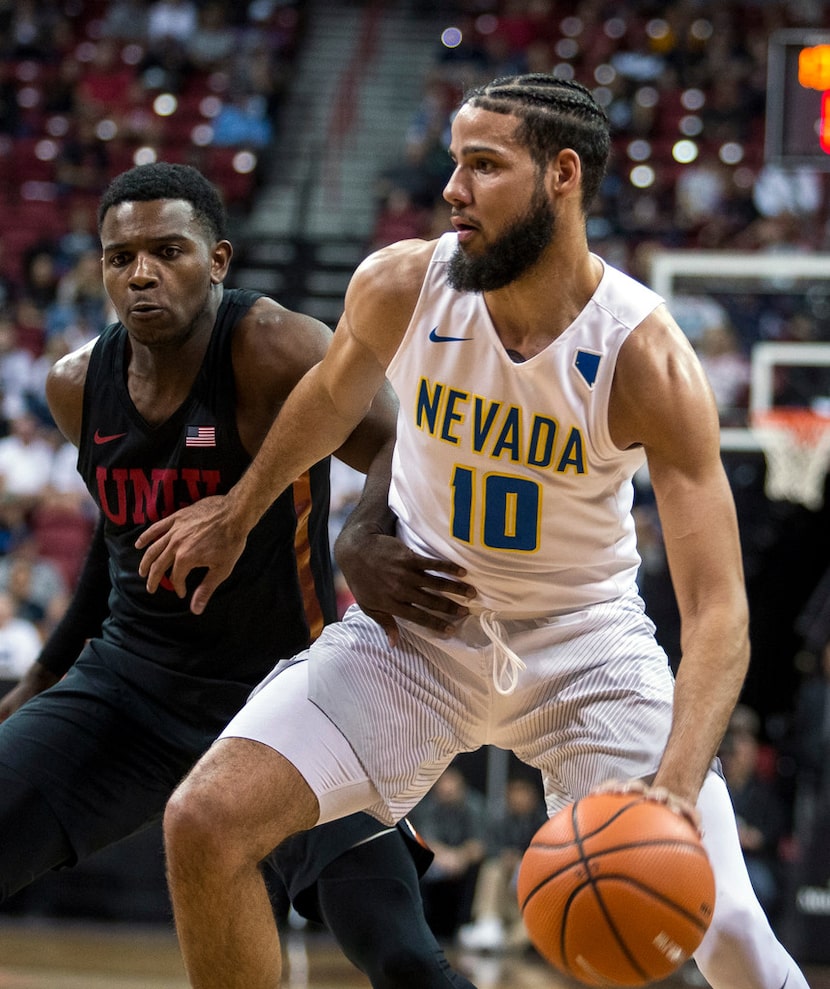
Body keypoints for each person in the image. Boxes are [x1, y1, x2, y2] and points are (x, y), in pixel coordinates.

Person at [136, 75, 809, 989]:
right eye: (456, 161)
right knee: (204, 822)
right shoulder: (405, 282)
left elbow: (722, 612)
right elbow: (332, 400)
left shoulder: (643, 355)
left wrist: (676, 790)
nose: (452, 187)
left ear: (562, 175)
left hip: (586, 651)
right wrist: (238, 508)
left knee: (726, 925)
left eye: (484, 165)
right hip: (415, 636)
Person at [0, 161, 479, 989]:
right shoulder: (77, 385)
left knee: (402, 954)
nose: (142, 273)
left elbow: (408, 446)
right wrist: (43, 675)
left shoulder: (273, 346)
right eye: (121, 258)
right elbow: (119, 559)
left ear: (217, 260)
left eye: (167, 250)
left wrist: (360, 534)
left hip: (288, 697)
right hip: (131, 691)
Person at [409, 764, 487, 941]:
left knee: (485, 868)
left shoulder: (475, 806)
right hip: (438, 861)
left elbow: (480, 844)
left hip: (465, 862)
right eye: (443, 782)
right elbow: (425, 840)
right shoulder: (427, 807)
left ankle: (467, 926)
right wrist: (445, 857)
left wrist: (460, 857)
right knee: (417, 863)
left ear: (461, 784)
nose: (447, 787)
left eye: (452, 782)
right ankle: (421, 928)